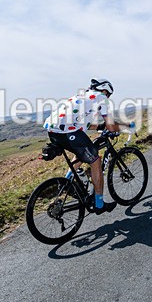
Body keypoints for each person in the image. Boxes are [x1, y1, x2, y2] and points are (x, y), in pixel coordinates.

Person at [43, 78, 121, 214]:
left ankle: (66, 182)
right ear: (105, 90)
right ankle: (99, 203)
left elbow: (83, 123)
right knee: (96, 162)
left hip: (53, 131)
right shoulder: (102, 98)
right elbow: (110, 125)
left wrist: (101, 126)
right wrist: (120, 128)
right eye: (108, 94)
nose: (107, 97)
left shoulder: (80, 97)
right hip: (68, 132)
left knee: (80, 152)